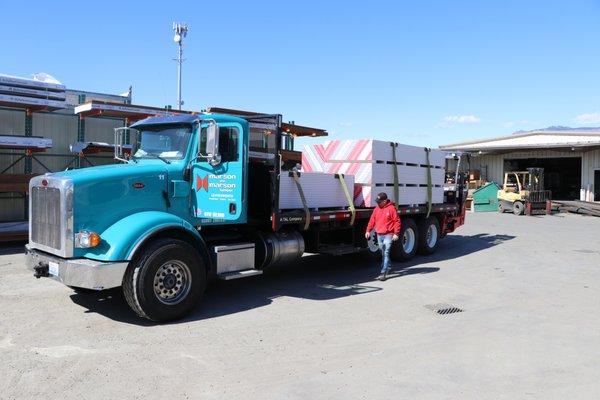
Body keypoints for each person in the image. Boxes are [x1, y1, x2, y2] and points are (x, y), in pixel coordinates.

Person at [365, 192, 401, 281]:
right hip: (379, 234)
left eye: (379, 201)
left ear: (385, 201)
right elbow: (372, 220)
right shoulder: (376, 209)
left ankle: (383, 272)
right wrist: (368, 230)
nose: (378, 203)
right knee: (382, 251)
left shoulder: (391, 209)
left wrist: (396, 233)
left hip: (388, 234)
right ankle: (390, 267)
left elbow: (397, 221)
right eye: (377, 201)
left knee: (386, 252)